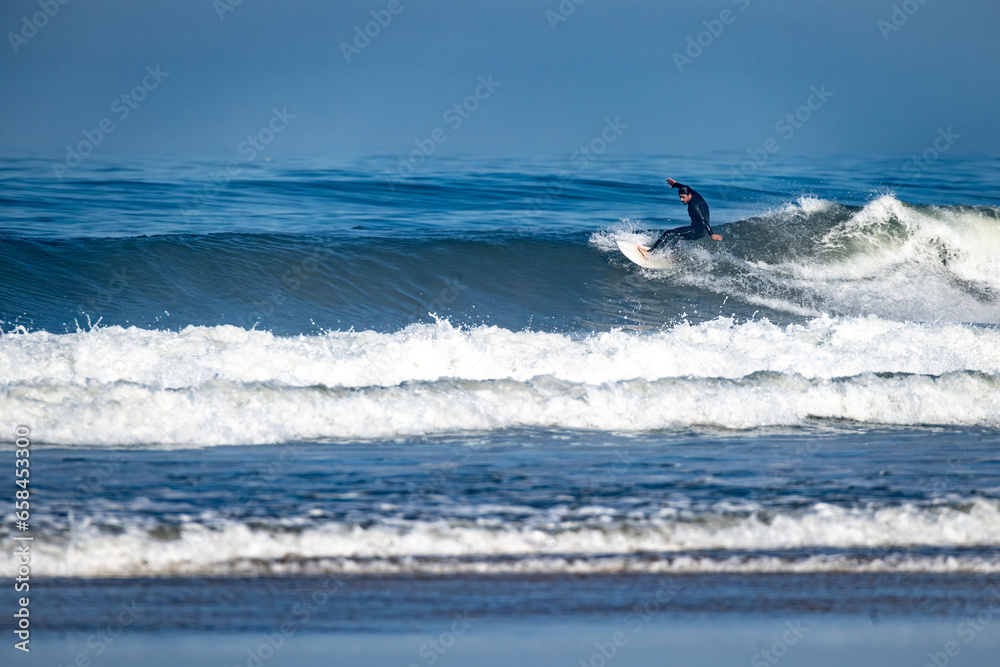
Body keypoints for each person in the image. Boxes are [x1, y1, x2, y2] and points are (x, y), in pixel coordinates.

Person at [638, 178, 723, 258]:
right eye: (680, 197)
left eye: (683, 197)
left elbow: (703, 220)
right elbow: (685, 187)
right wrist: (675, 184)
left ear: (689, 195)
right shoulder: (695, 194)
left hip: (697, 230)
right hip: (700, 230)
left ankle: (650, 253)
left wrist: (711, 234)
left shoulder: (694, 206)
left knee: (668, 234)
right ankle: (674, 256)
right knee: (677, 236)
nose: (682, 200)